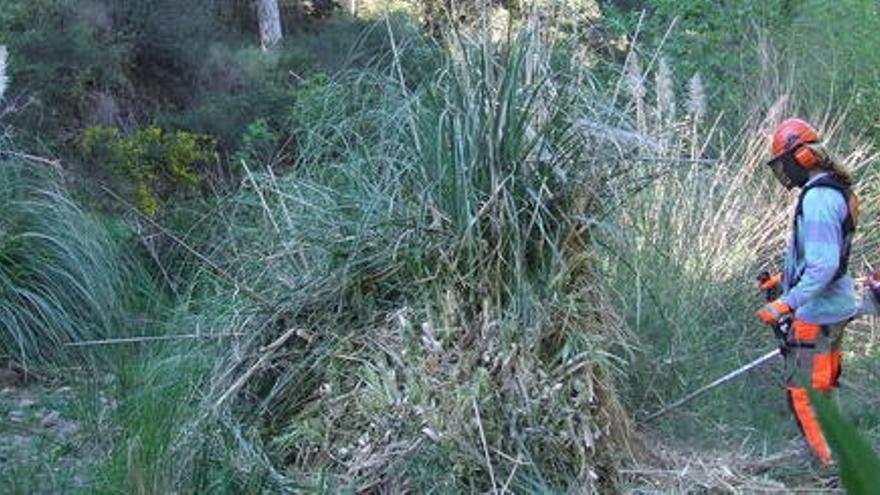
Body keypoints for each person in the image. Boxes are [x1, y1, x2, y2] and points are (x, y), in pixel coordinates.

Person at [756, 118, 860, 466]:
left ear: (801, 157)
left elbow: (822, 266)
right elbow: (821, 260)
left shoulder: (817, 198)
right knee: (824, 387)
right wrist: (783, 287)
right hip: (836, 306)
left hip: (818, 313)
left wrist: (786, 302)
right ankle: (842, 452)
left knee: (804, 394)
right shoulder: (834, 190)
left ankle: (827, 466)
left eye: (784, 161)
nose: (783, 170)